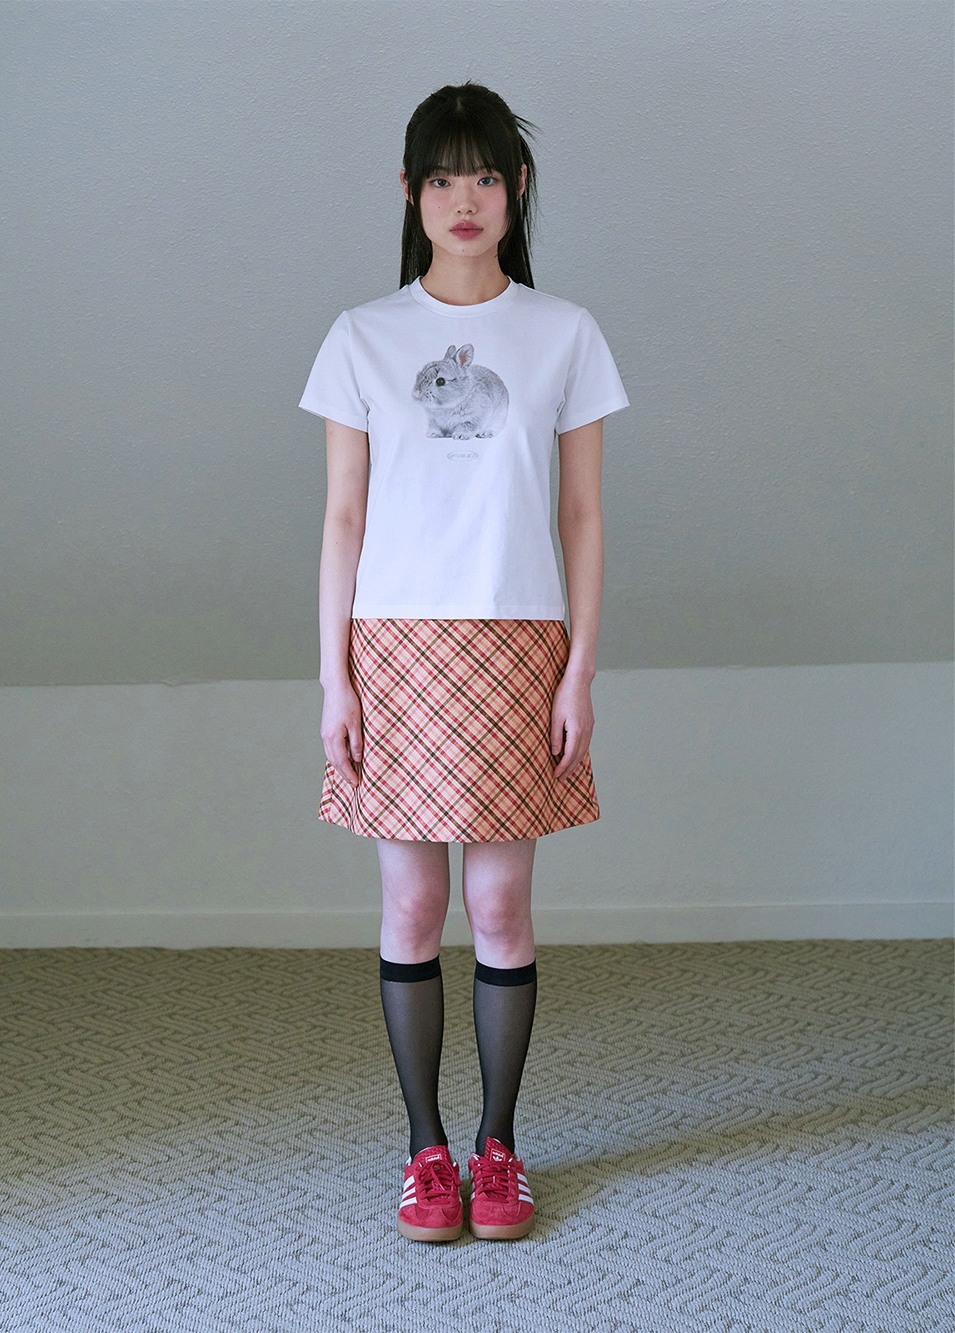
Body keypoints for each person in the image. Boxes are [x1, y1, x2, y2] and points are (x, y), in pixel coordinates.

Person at [299, 82, 628, 1243]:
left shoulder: (563, 333)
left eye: (484, 175)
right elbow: (343, 517)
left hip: (517, 640)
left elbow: (581, 516)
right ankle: (423, 1152)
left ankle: (497, 1148)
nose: (464, 199)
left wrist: (579, 669)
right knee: (413, 900)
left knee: (497, 903)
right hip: (394, 642)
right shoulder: (361, 337)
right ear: (409, 192)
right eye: (441, 178)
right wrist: (335, 677)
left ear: (516, 187)